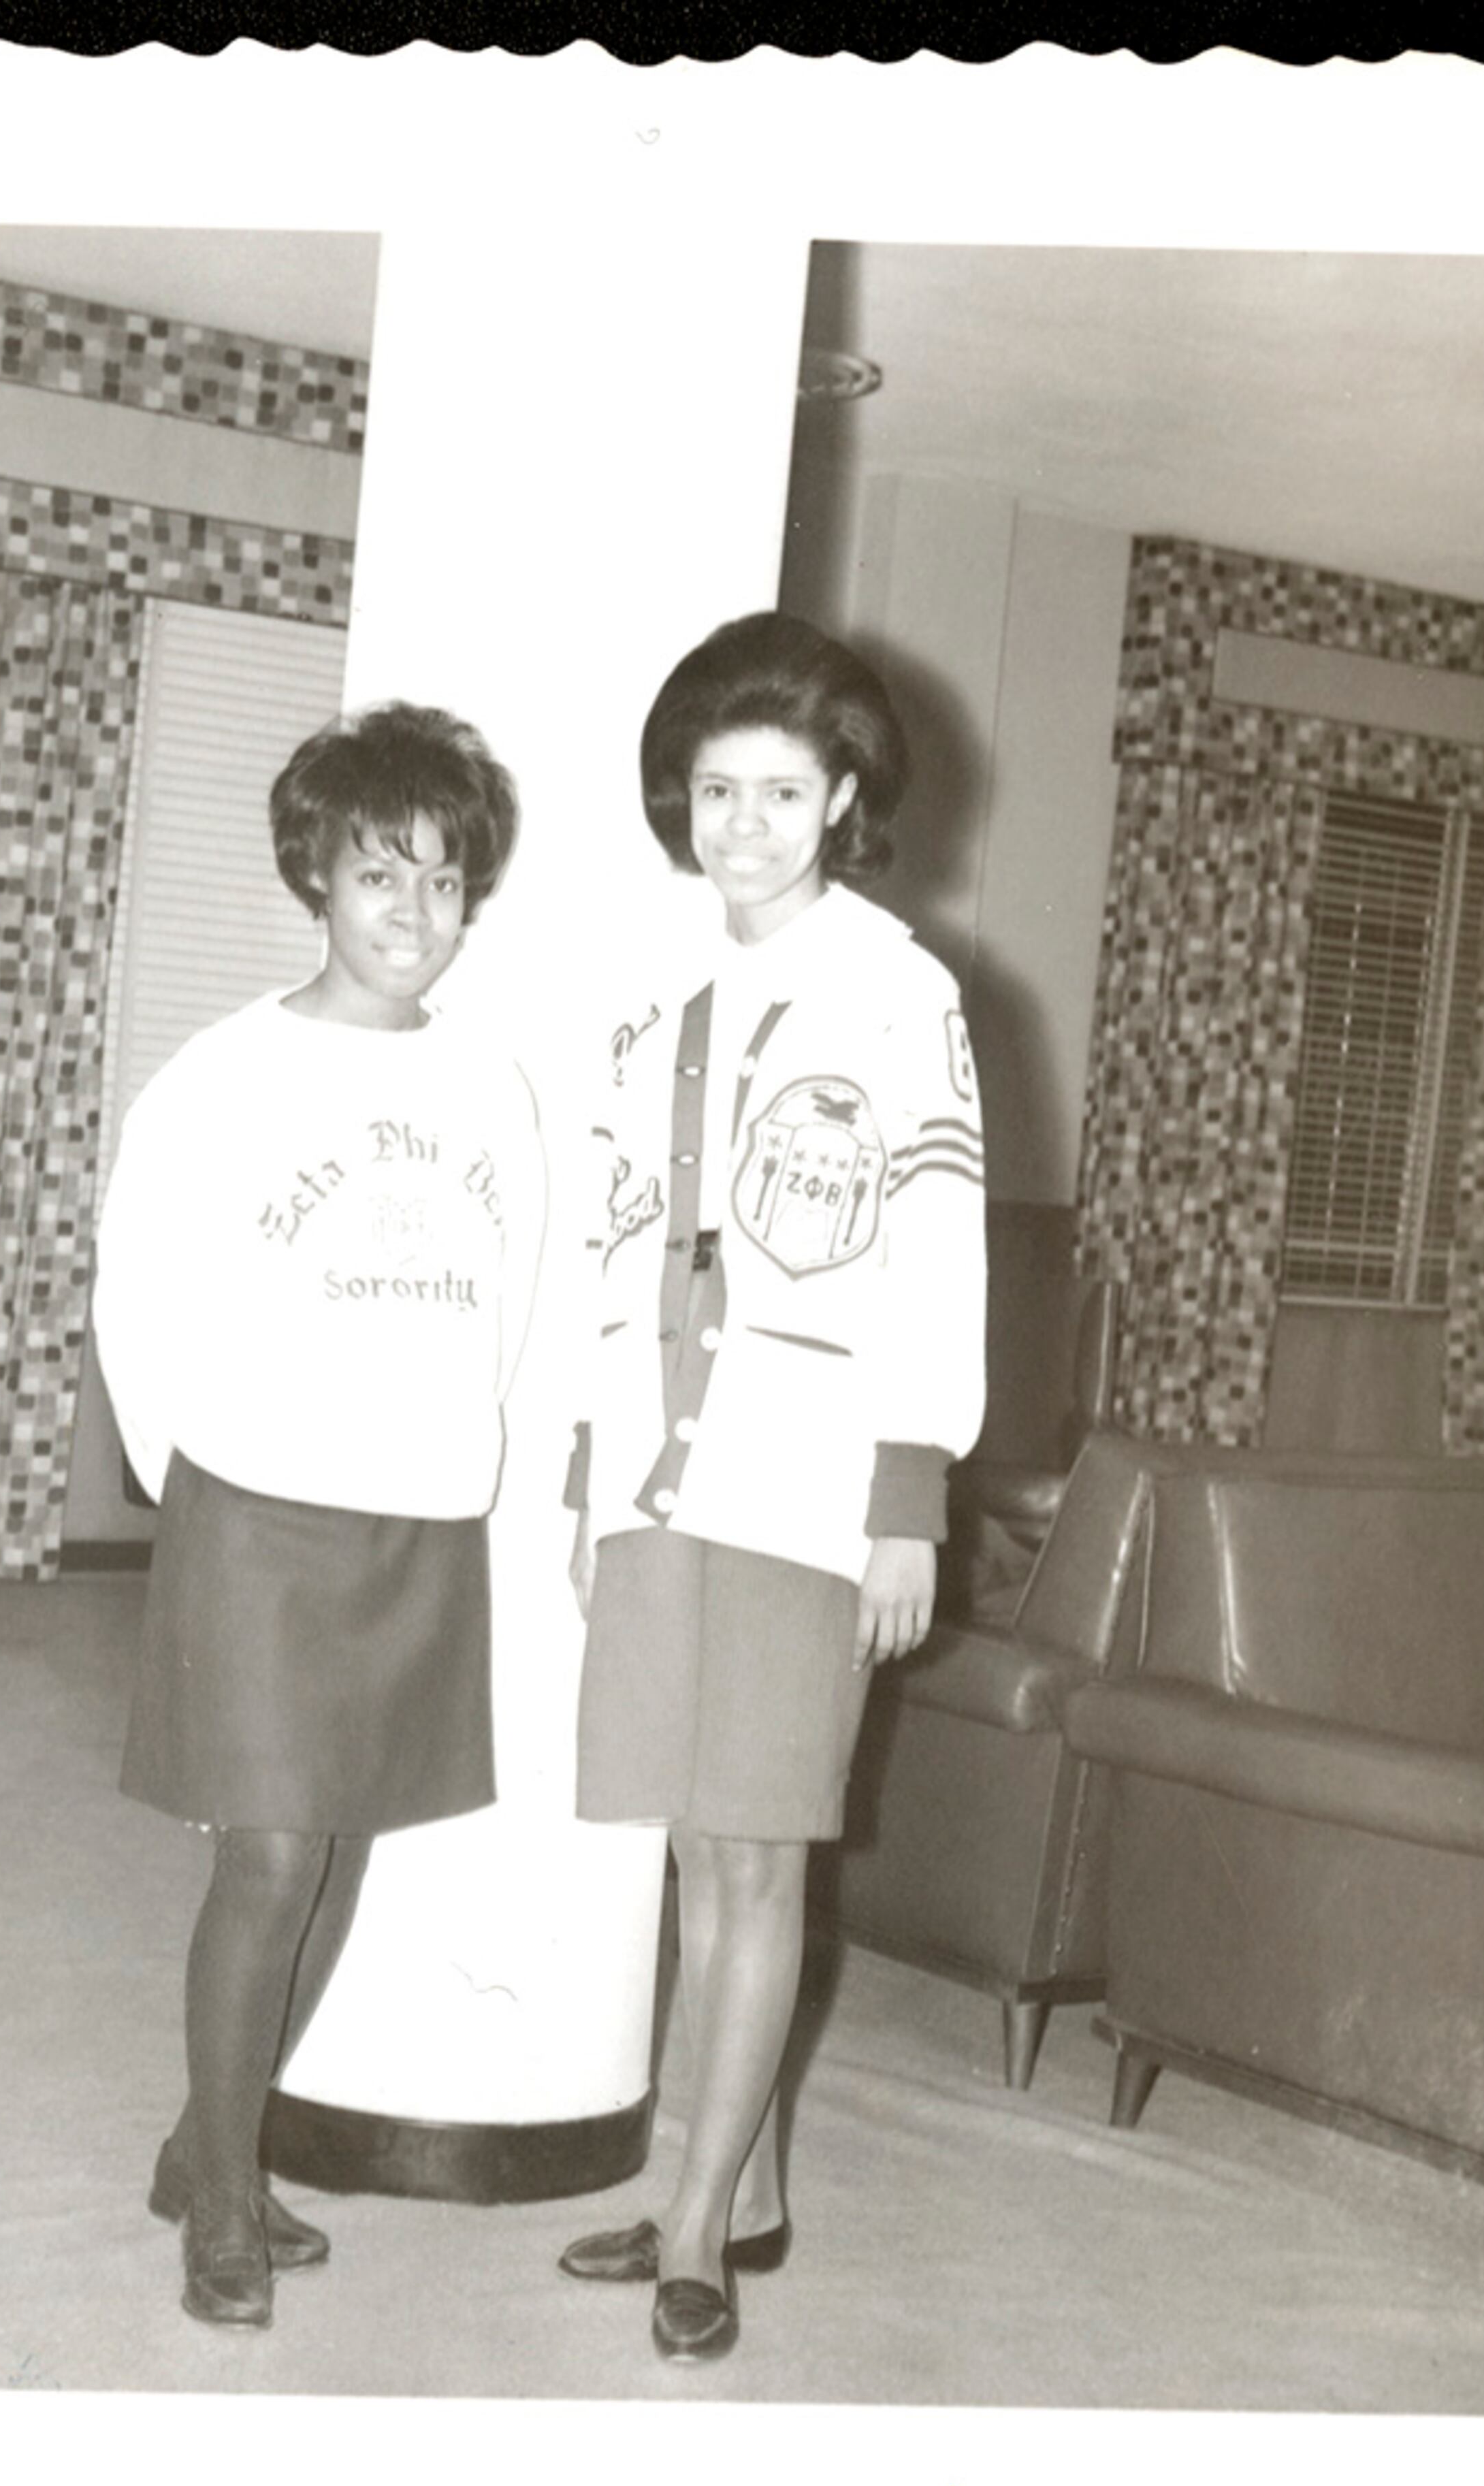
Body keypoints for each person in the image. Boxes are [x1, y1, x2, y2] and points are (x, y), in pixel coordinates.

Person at [557, 613, 988, 2363]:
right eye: (718, 789)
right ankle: (729, 2186)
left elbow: (938, 1252)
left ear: (844, 802)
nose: (745, 823)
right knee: (692, 1845)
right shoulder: (651, 984)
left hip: (808, 1480)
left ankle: (692, 2229)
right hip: (657, 1475)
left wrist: (909, 1493)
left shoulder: (900, 989)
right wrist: (589, 1469)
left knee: (756, 1854)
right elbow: (611, 1242)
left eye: (783, 792)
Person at [93, 702, 543, 2332]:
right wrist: (197, 1472)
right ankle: (227, 2194)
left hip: (416, 1511)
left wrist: (448, 1447)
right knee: (270, 1853)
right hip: (261, 1513)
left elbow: (507, 1301)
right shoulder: (228, 1075)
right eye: (378, 875)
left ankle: (203, 2143)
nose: (412, 913)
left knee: (340, 1845)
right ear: (317, 877)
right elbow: (136, 1292)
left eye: (442, 881)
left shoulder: (490, 1085)